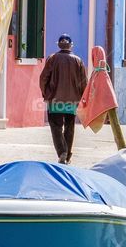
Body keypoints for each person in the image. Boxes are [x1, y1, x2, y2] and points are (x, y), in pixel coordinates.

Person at [39, 34, 87, 164]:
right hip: (73, 101)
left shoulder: (52, 59)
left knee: (56, 126)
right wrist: (83, 99)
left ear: (59, 45)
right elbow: (84, 83)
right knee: (70, 127)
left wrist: (46, 94)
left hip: (55, 100)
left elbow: (43, 79)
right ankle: (68, 155)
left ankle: (62, 152)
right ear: (71, 45)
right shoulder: (78, 61)